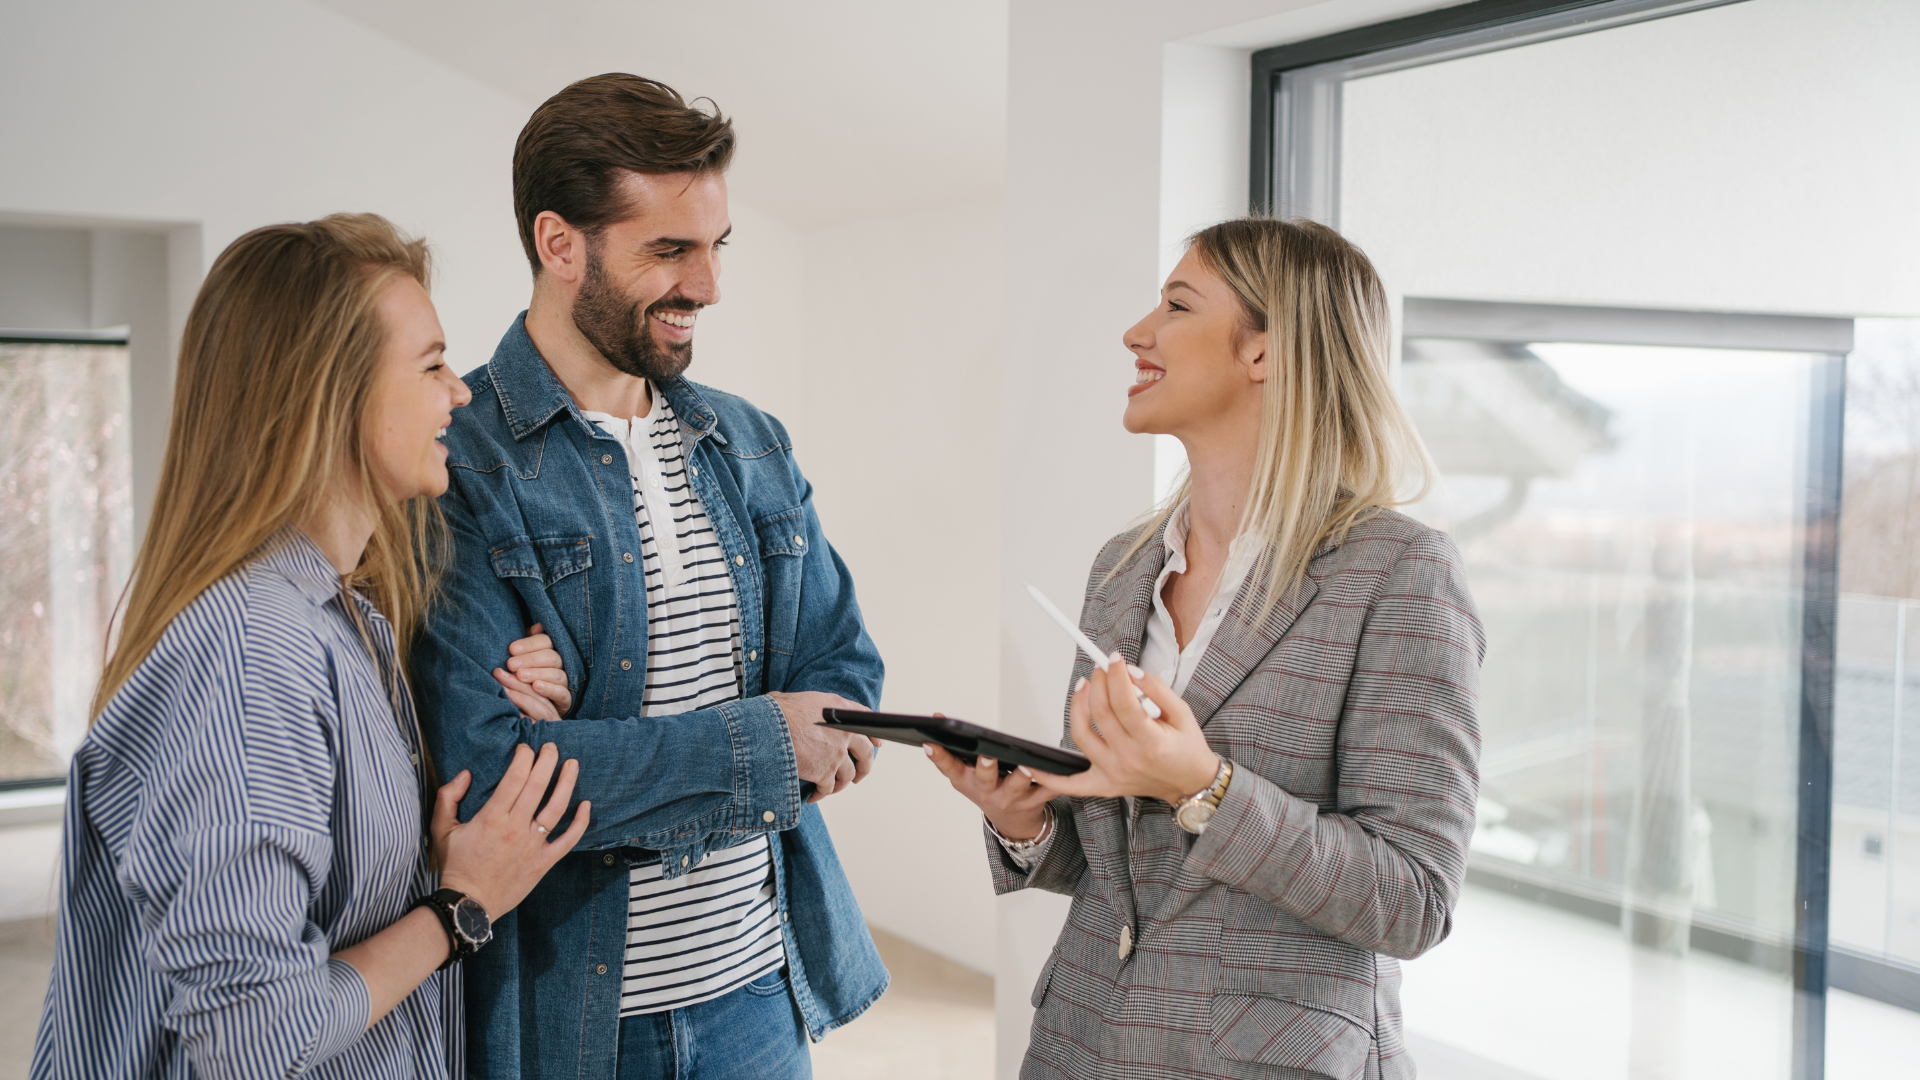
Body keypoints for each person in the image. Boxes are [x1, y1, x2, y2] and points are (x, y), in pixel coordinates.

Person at [30, 214, 589, 1079]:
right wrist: (458, 909)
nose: (462, 393)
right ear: (332, 393)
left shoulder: (345, 615)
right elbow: (256, 1033)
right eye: (431, 364)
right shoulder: (251, 651)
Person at [410, 74, 887, 1080]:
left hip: (761, 989)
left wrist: (588, 740)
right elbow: (493, 779)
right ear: (559, 242)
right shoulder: (457, 461)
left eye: (716, 246)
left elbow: (845, 674)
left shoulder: (752, 444)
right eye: (669, 250)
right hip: (573, 1020)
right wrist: (766, 740)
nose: (708, 286)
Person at [930, 217, 1486, 1079]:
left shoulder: (1400, 574)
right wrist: (1028, 820)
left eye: (1177, 305)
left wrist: (1205, 787)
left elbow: (1413, 900)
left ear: (1264, 351)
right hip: (1081, 1048)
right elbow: (1128, 866)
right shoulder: (1122, 569)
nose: (1135, 333)